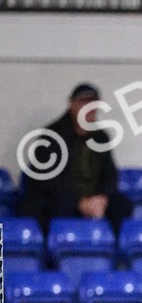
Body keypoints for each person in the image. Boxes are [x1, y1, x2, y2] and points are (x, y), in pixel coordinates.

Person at [19, 82, 131, 234]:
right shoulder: (51, 136)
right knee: (54, 206)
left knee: (122, 205)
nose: (88, 108)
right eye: (83, 102)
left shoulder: (101, 137)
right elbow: (49, 180)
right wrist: (80, 203)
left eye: (93, 103)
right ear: (71, 104)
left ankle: (110, 251)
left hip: (93, 198)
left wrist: (102, 199)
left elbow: (110, 173)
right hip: (63, 197)